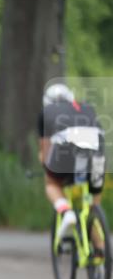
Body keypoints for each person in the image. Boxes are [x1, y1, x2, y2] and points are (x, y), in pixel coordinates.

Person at [38, 83, 106, 240]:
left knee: (51, 183)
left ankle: (66, 212)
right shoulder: (86, 107)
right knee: (92, 203)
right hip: (97, 149)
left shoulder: (46, 112)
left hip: (66, 148)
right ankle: (101, 251)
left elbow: (45, 151)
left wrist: (44, 164)